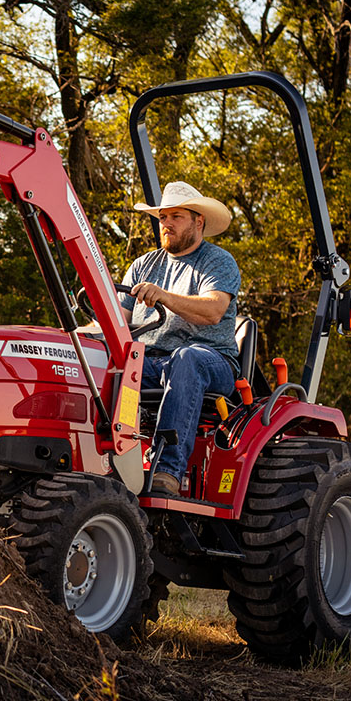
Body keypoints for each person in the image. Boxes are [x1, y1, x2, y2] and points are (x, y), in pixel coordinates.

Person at [123, 181, 241, 496]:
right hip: (150, 361)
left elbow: (214, 311)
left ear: (198, 221)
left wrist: (163, 296)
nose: (166, 224)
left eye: (176, 216)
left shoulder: (217, 261)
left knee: (187, 358)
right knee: (99, 359)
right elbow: (117, 322)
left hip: (211, 361)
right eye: (163, 217)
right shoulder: (142, 265)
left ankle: (167, 471)